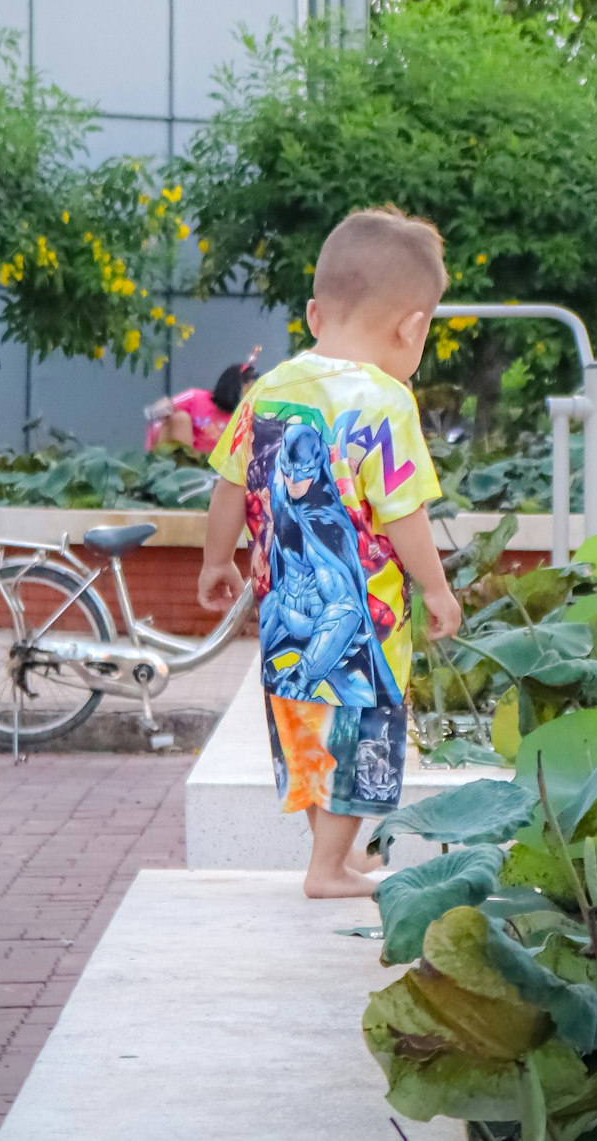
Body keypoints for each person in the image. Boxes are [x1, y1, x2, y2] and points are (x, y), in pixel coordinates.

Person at [194, 207, 462, 899]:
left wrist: (216, 562)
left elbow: (228, 487)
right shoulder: (385, 400)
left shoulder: (266, 391)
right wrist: (436, 588)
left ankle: (332, 853)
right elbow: (404, 512)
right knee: (362, 723)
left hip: (284, 607)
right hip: (363, 615)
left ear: (315, 312)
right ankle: (328, 869)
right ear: (413, 327)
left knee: (307, 723)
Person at [143, 355, 258, 457]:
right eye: (247, 389)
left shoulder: (243, 418)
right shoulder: (195, 397)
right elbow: (155, 411)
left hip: (210, 467)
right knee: (180, 418)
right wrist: (164, 408)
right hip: (173, 455)